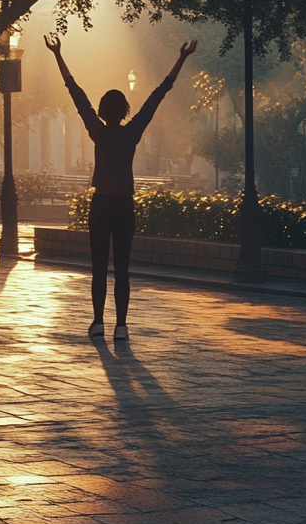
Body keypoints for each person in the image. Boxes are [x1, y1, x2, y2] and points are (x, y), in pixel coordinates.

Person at [44, 34, 197, 341]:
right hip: (124, 205)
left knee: (99, 267)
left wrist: (58, 54)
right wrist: (182, 57)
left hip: (100, 205)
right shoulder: (132, 134)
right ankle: (122, 326)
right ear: (125, 110)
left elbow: (76, 94)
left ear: (102, 111)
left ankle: (98, 321)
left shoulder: (98, 133)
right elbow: (158, 96)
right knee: (122, 269)